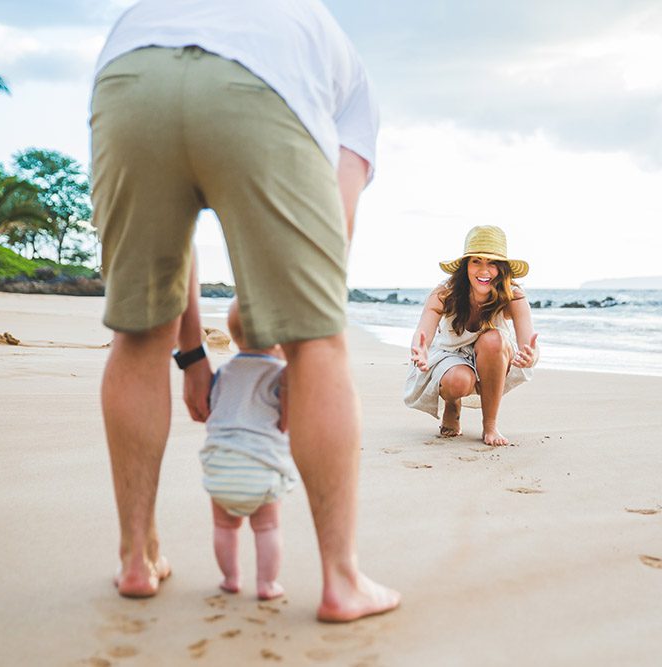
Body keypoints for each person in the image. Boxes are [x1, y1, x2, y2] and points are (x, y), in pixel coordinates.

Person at [91, 0, 399, 622]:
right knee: (322, 341)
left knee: (136, 332)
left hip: (129, 74)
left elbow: (179, 257)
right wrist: (291, 355)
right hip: (264, 85)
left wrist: (193, 355)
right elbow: (328, 252)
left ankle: (136, 558)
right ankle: (341, 580)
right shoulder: (336, 56)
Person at [405, 225, 539, 446]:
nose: (484, 270)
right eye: (476, 261)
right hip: (450, 355)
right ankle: (452, 403)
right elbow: (423, 333)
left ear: (502, 268)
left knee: (494, 339)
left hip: (492, 356)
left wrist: (530, 357)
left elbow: (528, 344)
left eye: (492, 263)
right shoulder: (444, 293)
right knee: (459, 381)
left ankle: (490, 425)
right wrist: (419, 350)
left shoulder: (513, 296)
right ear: (466, 265)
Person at [201, 300, 293, 600]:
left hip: (220, 466)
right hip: (261, 467)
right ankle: (266, 585)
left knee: (224, 526)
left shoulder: (224, 372)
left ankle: (230, 578)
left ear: (234, 335)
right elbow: (285, 423)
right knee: (267, 528)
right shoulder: (280, 374)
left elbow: (213, 409)